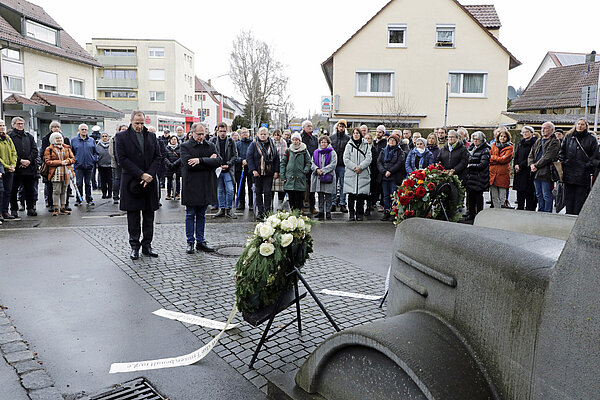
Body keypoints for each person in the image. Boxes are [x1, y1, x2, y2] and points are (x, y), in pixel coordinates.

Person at [115, 111, 162, 260]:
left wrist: (149, 174)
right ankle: (134, 246)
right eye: (137, 123)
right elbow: (122, 159)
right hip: (132, 182)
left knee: (149, 217)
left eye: (142, 123)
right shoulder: (121, 137)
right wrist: (141, 174)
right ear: (131, 121)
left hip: (149, 182)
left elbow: (158, 157)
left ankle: (147, 245)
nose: (140, 126)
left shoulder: (151, 136)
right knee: (133, 217)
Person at [180, 122, 221, 254]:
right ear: (192, 133)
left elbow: (218, 161)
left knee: (202, 215)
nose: (201, 137)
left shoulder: (211, 145)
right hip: (191, 185)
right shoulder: (185, 146)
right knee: (190, 214)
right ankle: (190, 242)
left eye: (203, 134)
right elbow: (189, 165)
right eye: (199, 134)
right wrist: (208, 161)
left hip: (205, 185)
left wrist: (201, 160)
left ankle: (201, 241)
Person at [558, 118, 599, 215]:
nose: (580, 126)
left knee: (579, 200)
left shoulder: (591, 138)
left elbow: (595, 155)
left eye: (582, 124)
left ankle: (576, 219)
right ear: (575, 125)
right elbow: (561, 152)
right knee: (568, 199)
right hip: (569, 172)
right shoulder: (568, 136)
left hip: (583, 173)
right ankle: (568, 218)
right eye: (578, 124)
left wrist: (587, 165)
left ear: (586, 126)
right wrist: (565, 162)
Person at [247, 127, 280, 220]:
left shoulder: (272, 145)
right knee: (258, 192)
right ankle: (260, 212)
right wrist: (253, 170)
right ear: (258, 134)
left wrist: (276, 171)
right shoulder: (253, 145)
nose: (263, 135)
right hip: (257, 173)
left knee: (267, 192)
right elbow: (249, 158)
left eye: (265, 134)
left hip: (269, 173)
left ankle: (267, 212)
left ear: (268, 135)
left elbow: (276, 159)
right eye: (261, 134)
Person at [8, 117, 38, 217]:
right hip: (16, 168)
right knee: (13, 190)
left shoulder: (29, 136)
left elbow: (34, 150)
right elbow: (10, 152)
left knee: (30, 190)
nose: (20, 126)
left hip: (29, 168)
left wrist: (29, 160)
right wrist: (20, 160)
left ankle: (30, 208)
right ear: (13, 125)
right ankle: (14, 210)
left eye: (22, 123)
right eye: (18, 124)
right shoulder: (10, 137)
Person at [527, 123, 559, 212]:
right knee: (538, 194)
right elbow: (531, 154)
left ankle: (547, 212)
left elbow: (548, 157)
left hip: (546, 172)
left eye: (546, 128)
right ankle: (540, 210)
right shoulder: (538, 140)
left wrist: (536, 165)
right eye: (542, 128)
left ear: (552, 130)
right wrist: (531, 164)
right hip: (535, 172)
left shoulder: (555, 142)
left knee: (546, 194)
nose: (543, 130)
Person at [40, 121, 71, 211]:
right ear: (51, 128)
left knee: (65, 187)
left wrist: (67, 161)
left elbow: (71, 154)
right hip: (52, 168)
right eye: (54, 127)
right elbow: (43, 154)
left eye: (58, 127)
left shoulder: (65, 139)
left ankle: (65, 204)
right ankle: (52, 205)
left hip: (65, 168)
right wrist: (57, 161)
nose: (56, 128)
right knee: (52, 187)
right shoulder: (46, 139)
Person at [344, 127, 372, 221]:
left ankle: (359, 213)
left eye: (357, 133)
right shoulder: (349, 145)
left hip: (362, 172)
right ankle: (351, 213)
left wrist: (360, 167)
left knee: (361, 195)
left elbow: (369, 158)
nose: (356, 135)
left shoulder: (366, 145)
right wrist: (354, 167)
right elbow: (346, 159)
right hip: (351, 173)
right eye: (354, 133)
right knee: (351, 195)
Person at [211, 122, 238, 219]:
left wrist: (228, 164)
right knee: (220, 190)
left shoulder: (231, 141)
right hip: (217, 170)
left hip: (228, 170)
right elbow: (211, 155)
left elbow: (235, 155)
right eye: (220, 131)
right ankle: (221, 209)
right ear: (217, 131)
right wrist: (218, 164)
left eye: (224, 131)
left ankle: (229, 209)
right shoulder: (213, 141)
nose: (222, 133)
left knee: (230, 190)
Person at [44, 132, 75, 216]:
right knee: (56, 191)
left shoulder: (66, 148)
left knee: (64, 191)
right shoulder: (49, 149)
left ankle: (63, 207)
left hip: (66, 172)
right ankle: (55, 207)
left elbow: (73, 158)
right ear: (53, 139)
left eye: (60, 138)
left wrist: (68, 161)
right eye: (57, 138)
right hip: (56, 173)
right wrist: (60, 162)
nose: (59, 139)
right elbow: (47, 161)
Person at [377, 133, 405, 221]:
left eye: (393, 140)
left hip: (394, 176)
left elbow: (399, 163)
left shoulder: (400, 152)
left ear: (397, 142)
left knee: (394, 195)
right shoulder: (383, 151)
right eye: (390, 140)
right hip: (384, 177)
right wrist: (384, 171)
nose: (391, 142)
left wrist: (390, 171)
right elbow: (379, 162)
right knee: (385, 196)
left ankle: (394, 212)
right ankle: (386, 211)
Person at [281, 132, 311, 211]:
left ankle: (298, 214)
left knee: (299, 198)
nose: (295, 142)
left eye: (296, 140)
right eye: (293, 140)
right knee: (291, 198)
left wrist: (305, 170)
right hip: (290, 178)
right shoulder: (288, 150)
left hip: (300, 178)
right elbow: (283, 163)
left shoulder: (304, 150)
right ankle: (292, 214)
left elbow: (308, 162)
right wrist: (283, 175)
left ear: (300, 141)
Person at [71, 123, 98, 206]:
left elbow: (95, 152)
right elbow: (71, 153)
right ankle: (78, 199)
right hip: (79, 166)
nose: (84, 131)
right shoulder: (74, 140)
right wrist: (75, 161)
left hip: (89, 166)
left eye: (85, 129)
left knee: (88, 183)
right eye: (82, 129)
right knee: (79, 183)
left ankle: (89, 199)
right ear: (78, 130)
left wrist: (93, 160)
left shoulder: (91, 140)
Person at [465, 131, 490, 220]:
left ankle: (479, 215)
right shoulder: (471, 148)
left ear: (482, 140)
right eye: (474, 139)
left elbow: (483, 164)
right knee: (470, 197)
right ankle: (471, 214)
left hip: (480, 177)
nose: (475, 141)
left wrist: (470, 166)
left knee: (478, 197)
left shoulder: (485, 150)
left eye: (477, 139)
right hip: (471, 177)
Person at [510, 126, 537, 211]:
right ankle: (520, 207)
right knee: (520, 191)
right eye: (523, 132)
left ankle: (529, 208)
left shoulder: (534, 143)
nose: (525, 134)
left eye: (527, 132)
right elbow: (516, 155)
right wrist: (516, 165)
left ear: (532, 133)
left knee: (528, 191)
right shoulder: (521, 142)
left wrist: (521, 166)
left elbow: (531, 157)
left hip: (528, 170)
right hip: (519, 171)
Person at [310, 135, 337, 220]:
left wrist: (323, 170)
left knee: (328, 195)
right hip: (318, 176)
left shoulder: (332, 152)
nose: (323, 144)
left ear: (328, 143)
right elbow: (312, 163)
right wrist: (317, 169)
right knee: (320, 194)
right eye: (322, 142)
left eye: (325, 142)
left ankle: (328, 212)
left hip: (328, 176)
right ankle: (321, 211)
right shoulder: (316, 152)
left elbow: (333, 164)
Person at [489, 129, 513, 209]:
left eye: (504, 137)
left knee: (502, 196)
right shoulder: (493, 146)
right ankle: (496, 211)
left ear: (507, 138)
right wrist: (498, 158)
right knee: (494, 196)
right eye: (501, 136)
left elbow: (505, 160)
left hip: (503, 175)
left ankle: (502, 212)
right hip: (492, 174)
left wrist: (494, 158)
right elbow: (489, 158)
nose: (502, 138)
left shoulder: (509, 147)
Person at [330, 120, 350, 213]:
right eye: (340, 126)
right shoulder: (332, 138)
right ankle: (333, 203)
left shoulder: (348, 139)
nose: (341, 128)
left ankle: (342, 204)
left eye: (343, 127)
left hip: (343, 165)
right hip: (333, 165)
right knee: (333, 185)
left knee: (343, 186)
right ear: (337, 127)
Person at [0, 120, 17, 221]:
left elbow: (14, 152)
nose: (2, 127)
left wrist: (13, 165)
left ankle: (5, 211)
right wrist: (6, 166)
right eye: (0, 126)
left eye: (3, 125)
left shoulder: (8, 138)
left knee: (8, 191)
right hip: (2, 168)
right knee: (1, 192)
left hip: (10, 169)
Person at [300, 120, 318, 214]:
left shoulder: (314, 138)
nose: (310, 127)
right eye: (308, 126)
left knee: (312, 188)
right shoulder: (301, 138)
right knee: (302, 188)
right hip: (302, 165)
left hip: (312, 165)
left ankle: (312, 206)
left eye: (311, 126)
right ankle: (302, 207)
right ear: (303, 127)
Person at [235, 127, 253, 211]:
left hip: (251, 167)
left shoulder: (253, 143)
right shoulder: (237, 144)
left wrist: (248, 160)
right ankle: (241, 203)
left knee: (251, 186)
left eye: (246, 132)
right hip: (240, 167)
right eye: (243, 133)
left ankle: (251, 204)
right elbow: (235, 156)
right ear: (240, 134)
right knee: (241, 186)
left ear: (249, 134)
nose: (245, 134)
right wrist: (241, 160)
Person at [110, 124, 128, 204]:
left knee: (125, 181)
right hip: (117, 164)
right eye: (122, 129)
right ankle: (116, 196)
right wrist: (119, 162)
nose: (124, 131)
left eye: (125, 129)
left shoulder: (129, 139)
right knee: (117, 180)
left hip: (127, 164)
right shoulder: (114, 139)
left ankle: (125, 196)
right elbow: (112, 153)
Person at [271, 129, 288, 210]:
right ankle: (270, 203)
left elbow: (283, 157)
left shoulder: (283, 143)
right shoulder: (270, 142)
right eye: (275, 135)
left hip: (281, 168)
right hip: (271, 168)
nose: (276, 137)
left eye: (278, 135)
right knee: (271, 187)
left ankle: (280, 204)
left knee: (281, 188)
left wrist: (278, 170)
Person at [164, 135, 181, 200]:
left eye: (175, 139)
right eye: (172, 139)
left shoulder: (180, 147)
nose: (173, 140)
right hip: (169, 167)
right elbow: (165, 157)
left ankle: (178, 194)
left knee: (178, 181)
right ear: (170, 140)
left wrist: (175, 163)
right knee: (169, 181)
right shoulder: (166, 148)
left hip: (178, 166)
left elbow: (181, 157)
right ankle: (168, 194)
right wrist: (169, 164)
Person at [96, 132, 113, 199]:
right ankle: (104, 194)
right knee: (103, 181)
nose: (104, 137)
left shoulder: (111, 144)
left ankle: (110, 194)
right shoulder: (98, 145)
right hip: (101, 166)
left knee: (110, 181)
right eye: (103, 136)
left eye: (106, 136)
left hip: (110, 166)